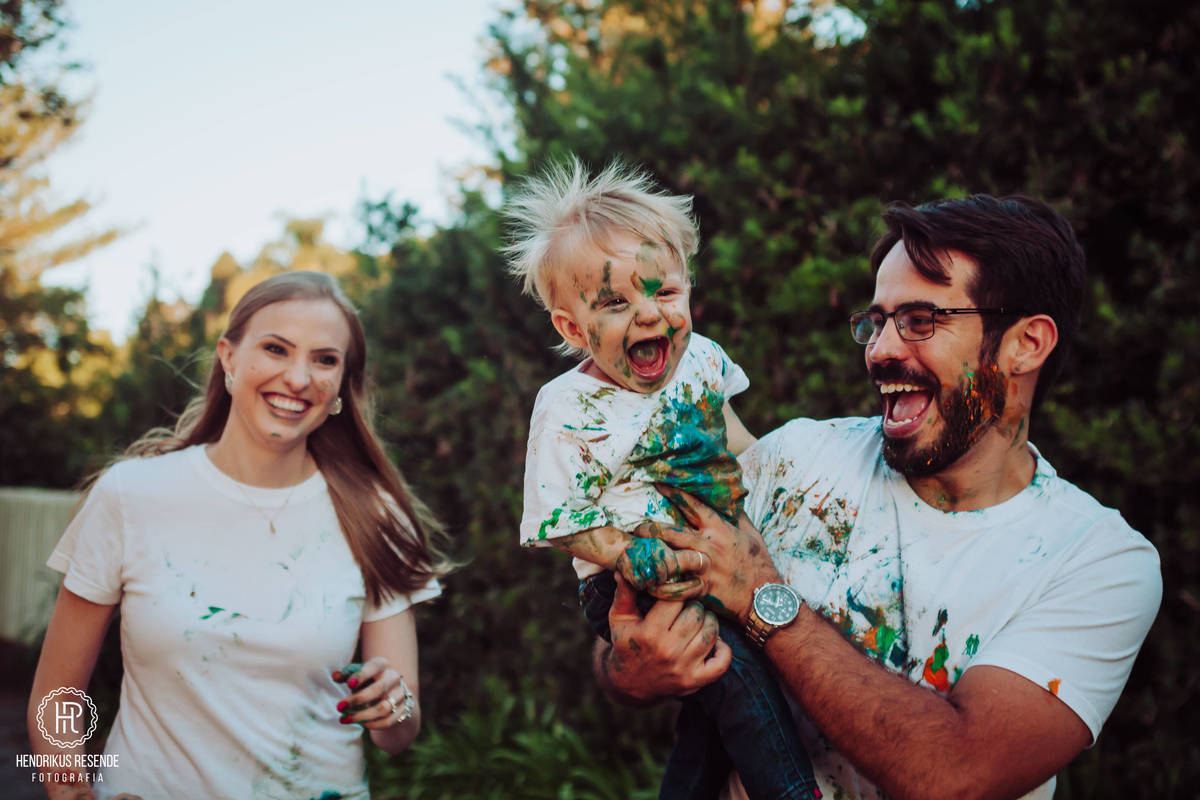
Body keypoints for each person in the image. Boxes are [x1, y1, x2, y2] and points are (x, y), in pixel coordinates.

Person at [594, 195, 1162, 800]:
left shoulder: (1097, 561)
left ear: (1027, 343)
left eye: (920, 321)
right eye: (877, 322)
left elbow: (957, 773)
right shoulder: (796, 458)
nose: (881, 349)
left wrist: (762, 596)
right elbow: (617, 646)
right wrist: (630, 671)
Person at [27, 271, 450, 800]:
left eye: (324, 360)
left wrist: (394, 705)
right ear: (228, 358)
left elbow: (397, 735)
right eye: (276, 349)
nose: (299, 378)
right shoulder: (131, 495)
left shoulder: (374, 514)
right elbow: (57, 696)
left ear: (341, 386)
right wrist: (70, 791)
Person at [504, 157, 819, 800]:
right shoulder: (569, 408)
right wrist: (632, 554)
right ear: (573, 327)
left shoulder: (700, 359)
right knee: (739, 677)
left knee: (710, 720)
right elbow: (559, 520)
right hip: (627, 577)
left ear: (687, 290)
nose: (648, 316)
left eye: (664, 293)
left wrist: (791, 486)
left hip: (713, 556)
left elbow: (738, 443)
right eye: (615, 302)